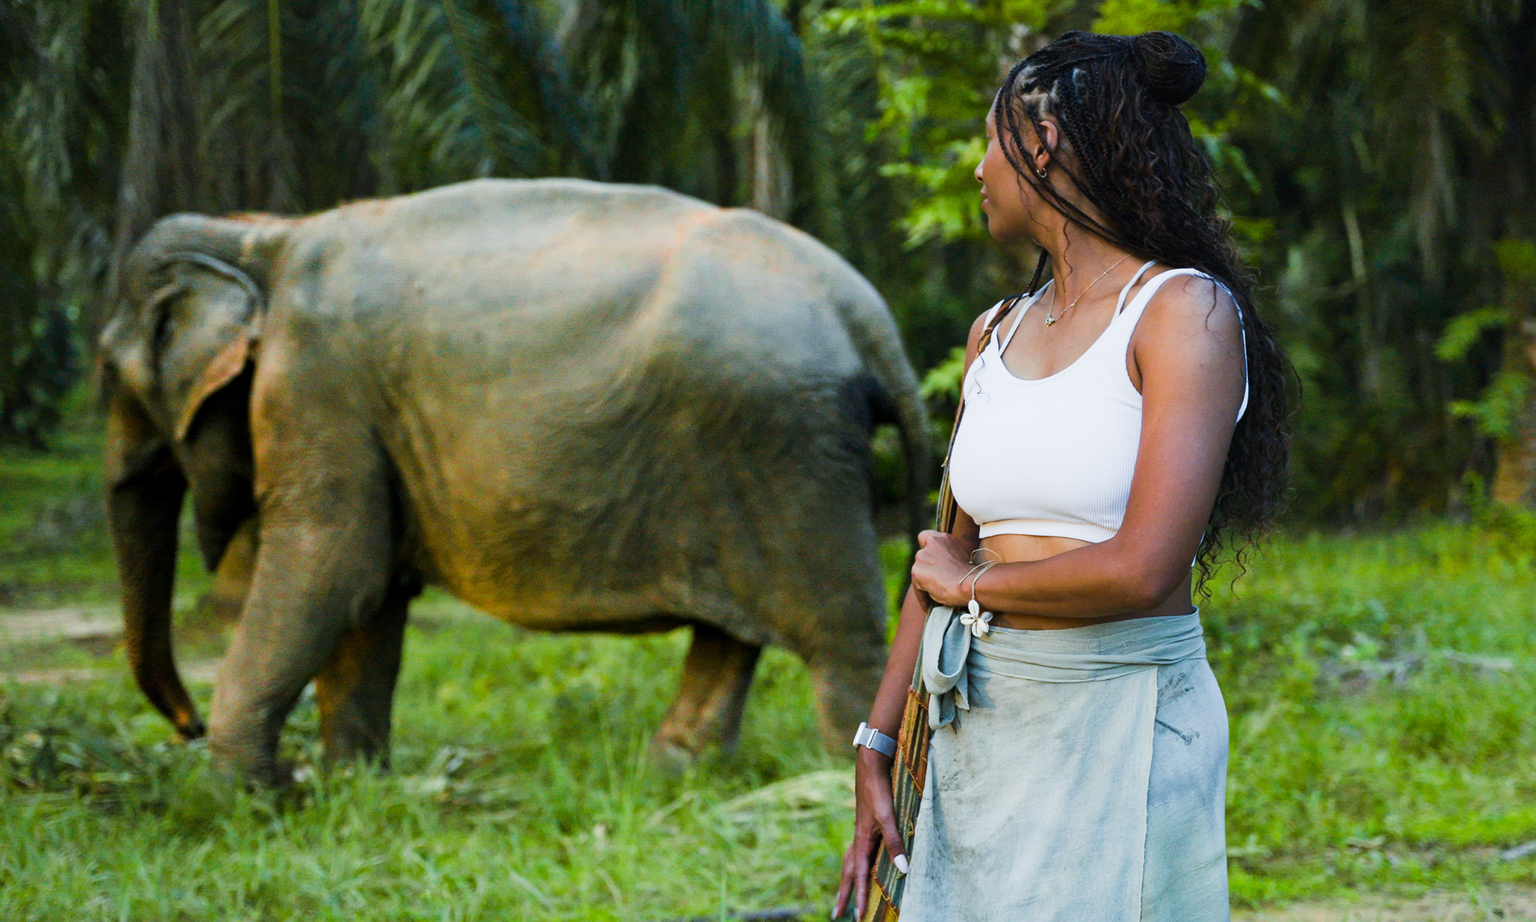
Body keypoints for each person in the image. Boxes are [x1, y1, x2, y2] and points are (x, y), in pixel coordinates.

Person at [833, 30, 1290, 922]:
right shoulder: (993, 333)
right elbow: (938, 560)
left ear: (1043, 142)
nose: (977, 169)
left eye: (990, 140)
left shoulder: (1180, 314)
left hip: (1124, 718)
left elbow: (1144, 568)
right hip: (981, 728)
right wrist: (878, 739)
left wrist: (977, 584)